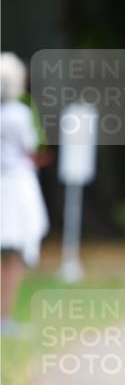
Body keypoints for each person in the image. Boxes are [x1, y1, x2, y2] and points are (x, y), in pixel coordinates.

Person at [1, 53, 49, 336]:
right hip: (16, 185)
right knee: (15, 253)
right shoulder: (20, 114)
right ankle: (5, 316)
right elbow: (31, 147)